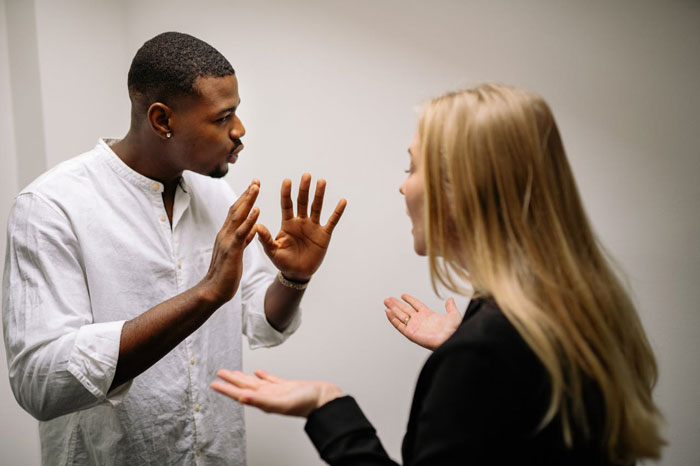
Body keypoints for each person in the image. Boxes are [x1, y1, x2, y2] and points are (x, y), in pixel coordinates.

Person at [211, 84, 665, 465]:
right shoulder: (572, 309)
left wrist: (327, 405)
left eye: (412, 167)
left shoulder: (485, 353)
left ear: (460, 190)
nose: (403, 185)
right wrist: (470, 340)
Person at [2, 32, 346, 465]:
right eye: (224, 117)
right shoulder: (53, 207)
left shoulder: (218, 197)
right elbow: (40, 382)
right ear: (163, 120)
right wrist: (204, 295)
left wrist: (293, 279)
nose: (239, 132)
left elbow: (260, 320)